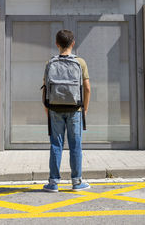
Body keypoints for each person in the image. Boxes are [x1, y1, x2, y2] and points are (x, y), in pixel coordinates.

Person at [42, 29, 91, 192]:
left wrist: (46, 109)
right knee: (75, 145)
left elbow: (45, 89)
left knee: (56, 144)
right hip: (75, 109)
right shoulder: (80, 62)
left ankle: (53, 182)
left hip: (55, 109)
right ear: (73, 43)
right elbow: (88, 88)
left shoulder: (50, 63)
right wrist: (84, 109)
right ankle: (77, 182)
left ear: (57, 44)